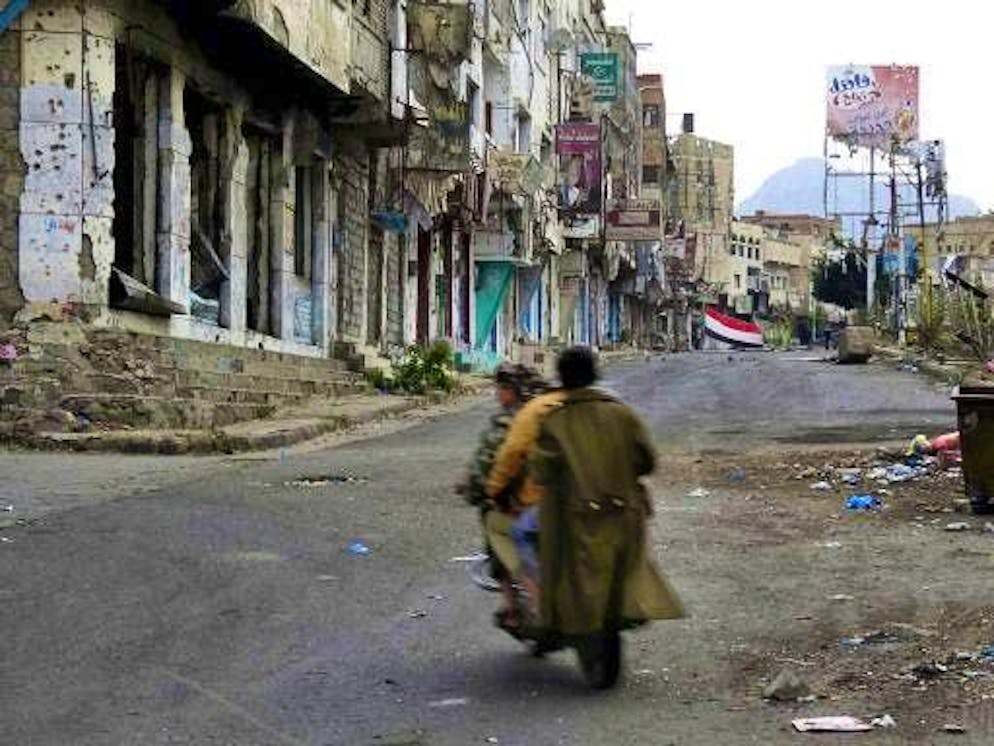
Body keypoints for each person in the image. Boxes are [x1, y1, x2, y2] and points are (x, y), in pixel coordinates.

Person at [528, 347, 684, 635]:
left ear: (562, 378)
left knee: (552, 551)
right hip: (626, 516)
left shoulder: (554, 422)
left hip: (577, 521)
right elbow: (646, 461)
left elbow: (540, 471)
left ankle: (556, 620)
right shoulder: (622, 414)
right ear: (593, 375)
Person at [484, 378, 566, 625]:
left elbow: (509, 456)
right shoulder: (599, 408)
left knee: (512, 531)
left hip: (548, 504)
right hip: (598, 501)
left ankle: (537, 597)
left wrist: (494, 490)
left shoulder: (535, 411)